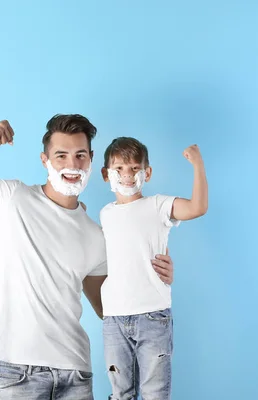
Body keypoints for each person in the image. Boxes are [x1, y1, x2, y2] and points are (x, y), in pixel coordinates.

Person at [0, 115, 175, 399]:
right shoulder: (9, 197)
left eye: (80, 155)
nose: (72, 164)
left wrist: (153, 277)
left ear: (91, 160)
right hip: (18, 373)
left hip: (76, 375)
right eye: (61, 155)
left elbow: (111, 308)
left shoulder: (96, 235)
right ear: (45, 160)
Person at [99, 137, 208, 400]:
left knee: (155, 394)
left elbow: (197, 207)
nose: (127, 175)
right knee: (120, 394)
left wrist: (197, 164)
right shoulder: (105, 214)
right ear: (106, 174)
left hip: (152, 316)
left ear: (147, 172)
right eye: (119, 169)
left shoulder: (158, 205)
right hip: (114, 318)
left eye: (135, 168)